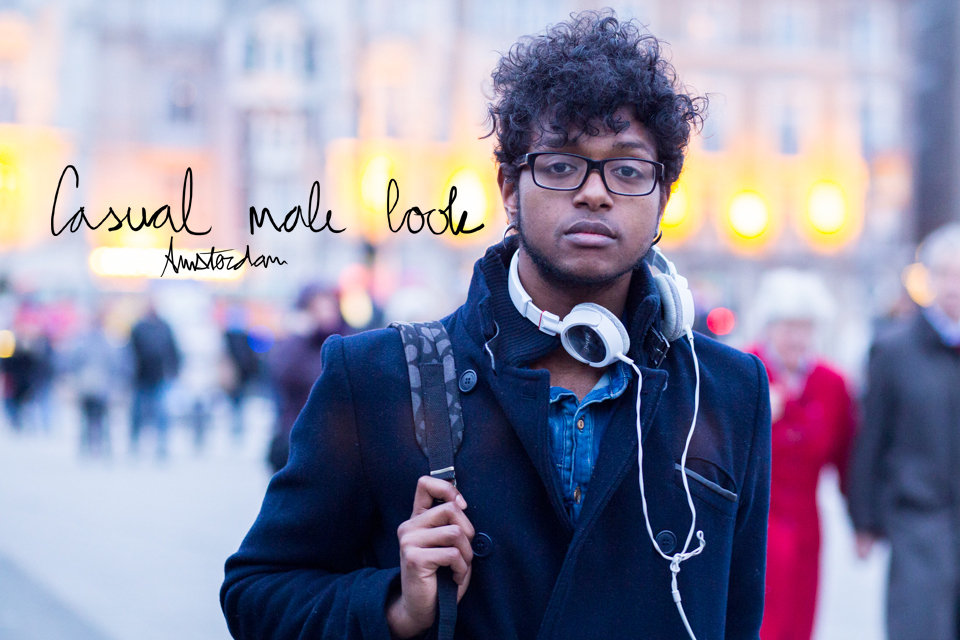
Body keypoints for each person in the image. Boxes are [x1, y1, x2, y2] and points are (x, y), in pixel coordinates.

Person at [221, 12, 771, 639]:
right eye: (561, 165)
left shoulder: (728, 390)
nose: (594, 193)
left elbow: (737, 619)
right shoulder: (375, 378)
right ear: (508, 185)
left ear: (663, 198)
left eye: (627, 169)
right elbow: (257, 594)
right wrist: (396, 607)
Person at [849, 222, 960, 640]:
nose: (954, 285)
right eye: (945, 274)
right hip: (918, 521)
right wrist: (864, 521)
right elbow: (871, 438)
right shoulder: (895, 350)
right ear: (928, 279)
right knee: (920, 627)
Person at [745, 270, 855, 640]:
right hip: (754, 523)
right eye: (787, 326)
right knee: (756, 622)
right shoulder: (746, 372)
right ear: (768, 326)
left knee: (799, 622)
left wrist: (864, 520)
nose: (796, 338)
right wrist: (759, 417)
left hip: (807, 522)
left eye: (805, 327)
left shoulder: (832, 383)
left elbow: (847, 457)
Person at [265, 284, 347, 472]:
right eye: (317, 309)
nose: (326, 314)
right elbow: (280, 373)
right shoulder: (295, 345)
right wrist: (298, 336)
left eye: (330, 307)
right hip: (296, 437)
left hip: (339, 442)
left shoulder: (347, 340)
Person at [128, 302, 181, 458]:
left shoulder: (165, 327)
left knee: (161, 413)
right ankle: (135, 443)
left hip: (160, 377)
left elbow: (172, 350)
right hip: (140, 377)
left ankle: (162, 444)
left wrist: (174, 370)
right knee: (137, 414)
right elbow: (130, 352)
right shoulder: (138, 328)